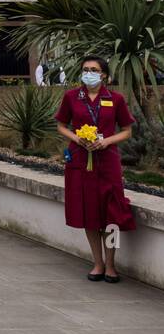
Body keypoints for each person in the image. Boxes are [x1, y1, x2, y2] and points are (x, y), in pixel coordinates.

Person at [55, 55, 135, 283]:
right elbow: (61, 125)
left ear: (104, 75)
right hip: (80, 160)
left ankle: (111, 264)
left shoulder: (115, 99)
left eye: (94, 69)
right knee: (88, 211)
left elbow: (127, 130)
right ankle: (98, 262)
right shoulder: (72, 97)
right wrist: (78, 138)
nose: (89, 72)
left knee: (112, 214)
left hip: (107, 161)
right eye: (85, 69)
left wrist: (107, 141)